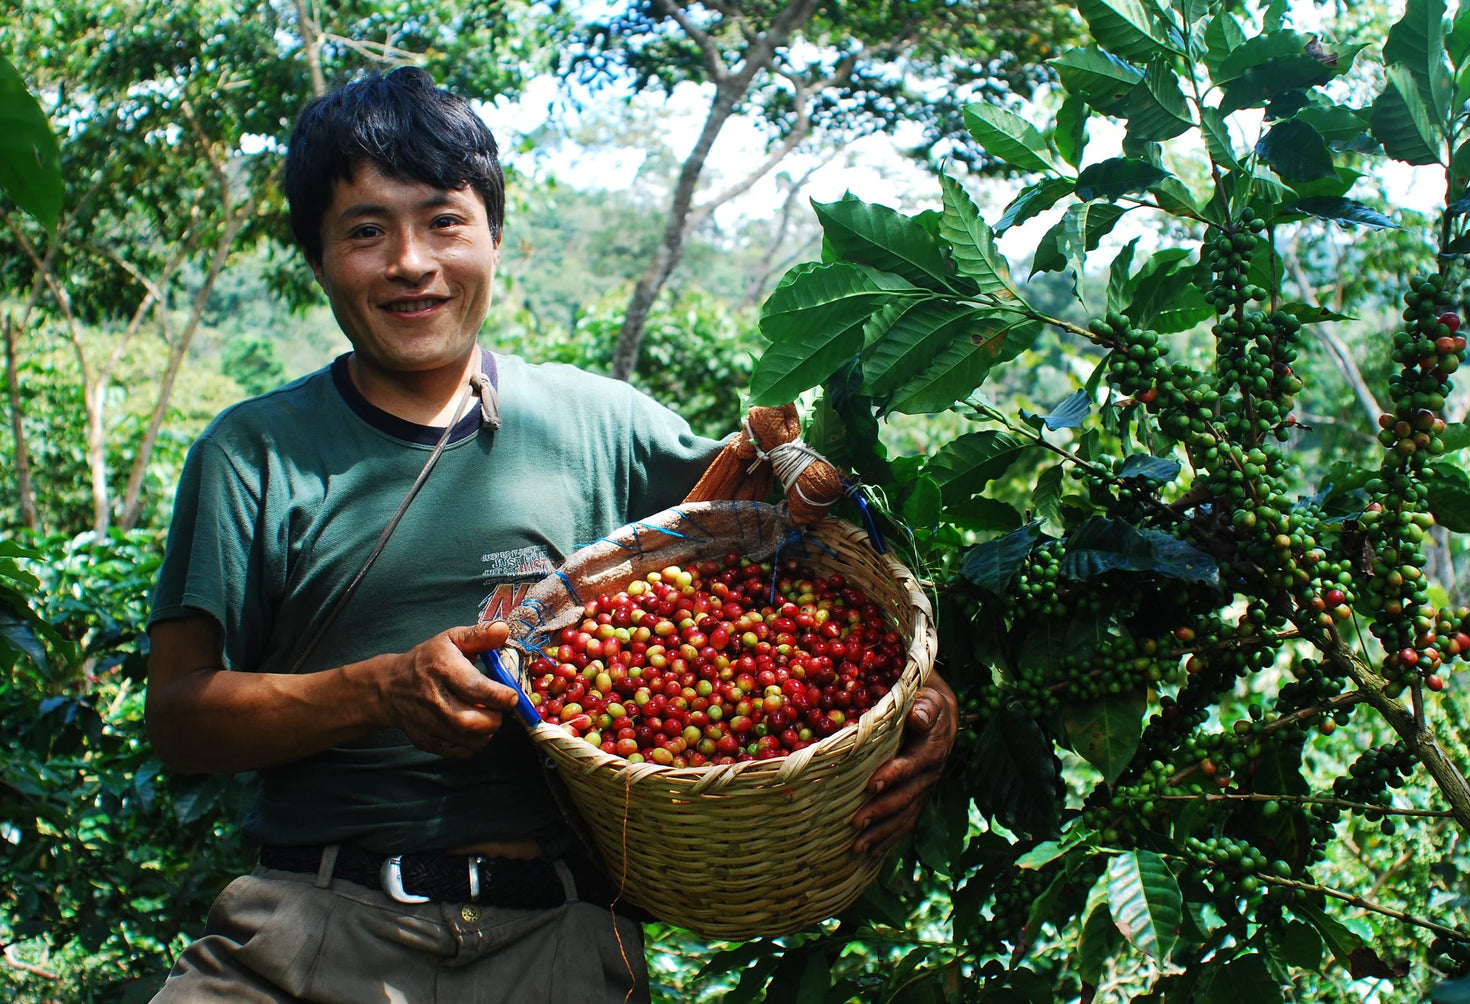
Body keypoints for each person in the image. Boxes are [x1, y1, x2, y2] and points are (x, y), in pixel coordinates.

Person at [144, 66, 957, 1003]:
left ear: (495, 237)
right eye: (366, 231)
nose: (411, 262)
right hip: (308, 932)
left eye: (444, 221)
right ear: (318, 258)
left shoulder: (597, 423)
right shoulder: (253, 452)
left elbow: (800, 577)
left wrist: (927, 697)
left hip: (559, 943)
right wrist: (378, 691)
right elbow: (180, 719)